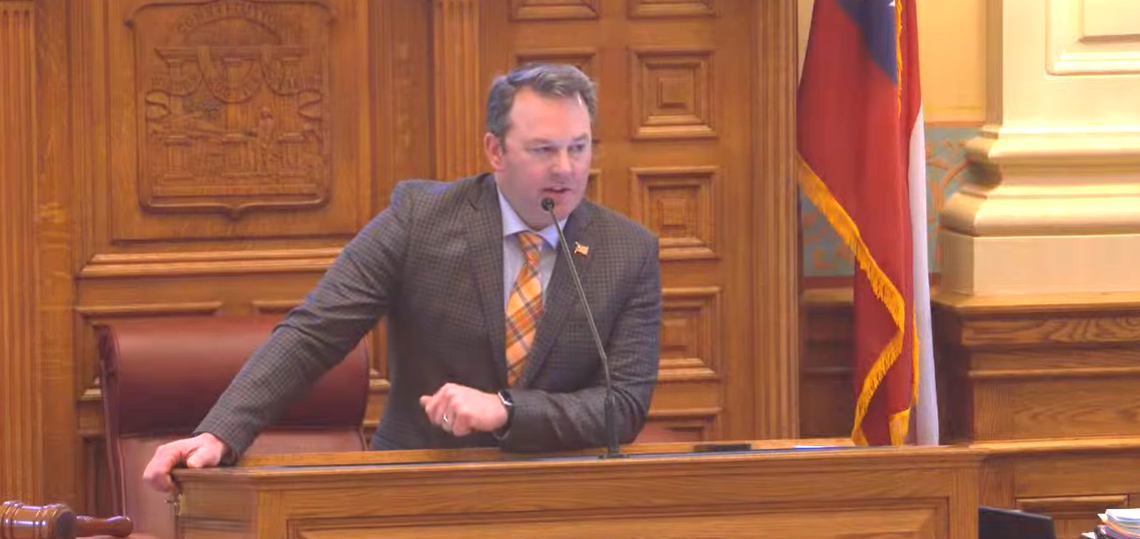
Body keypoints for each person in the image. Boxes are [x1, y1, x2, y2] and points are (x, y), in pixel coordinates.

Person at [142, 63, 663, 492]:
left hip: (560, 496)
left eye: (579, 147)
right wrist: (222, 431)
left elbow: (622, 406)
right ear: (496, 151)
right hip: (417, 484)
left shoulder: (628, 250)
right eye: (544, 149)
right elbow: (316, 330)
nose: (567, 168)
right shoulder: (422, 218)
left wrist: (505, 410)